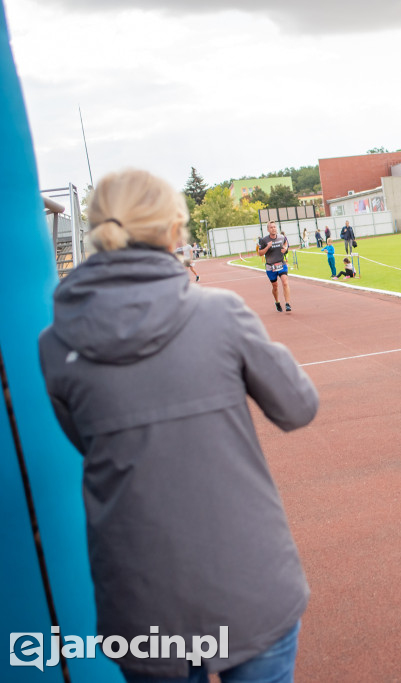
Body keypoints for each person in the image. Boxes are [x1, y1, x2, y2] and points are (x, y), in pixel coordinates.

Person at [37, 168, 318, 682]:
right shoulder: (221, 312)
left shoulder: (54, 344)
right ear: (173, 231)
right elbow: (298, 407)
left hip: (138, 596)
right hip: (248, 578)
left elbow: (86, 440)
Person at [258, 220, 292, 311]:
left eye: (274, 227)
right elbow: (260, 253)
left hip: (281, 263)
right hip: (270, 267)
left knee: (285, 282)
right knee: (275, 286)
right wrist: (267, 247)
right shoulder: (264, 240)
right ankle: (277, 302)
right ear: (268, 230)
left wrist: (285, 248)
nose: (273, 229)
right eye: (271, 227)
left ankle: (287, 304)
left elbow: (286, 243)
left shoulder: (281, 237)